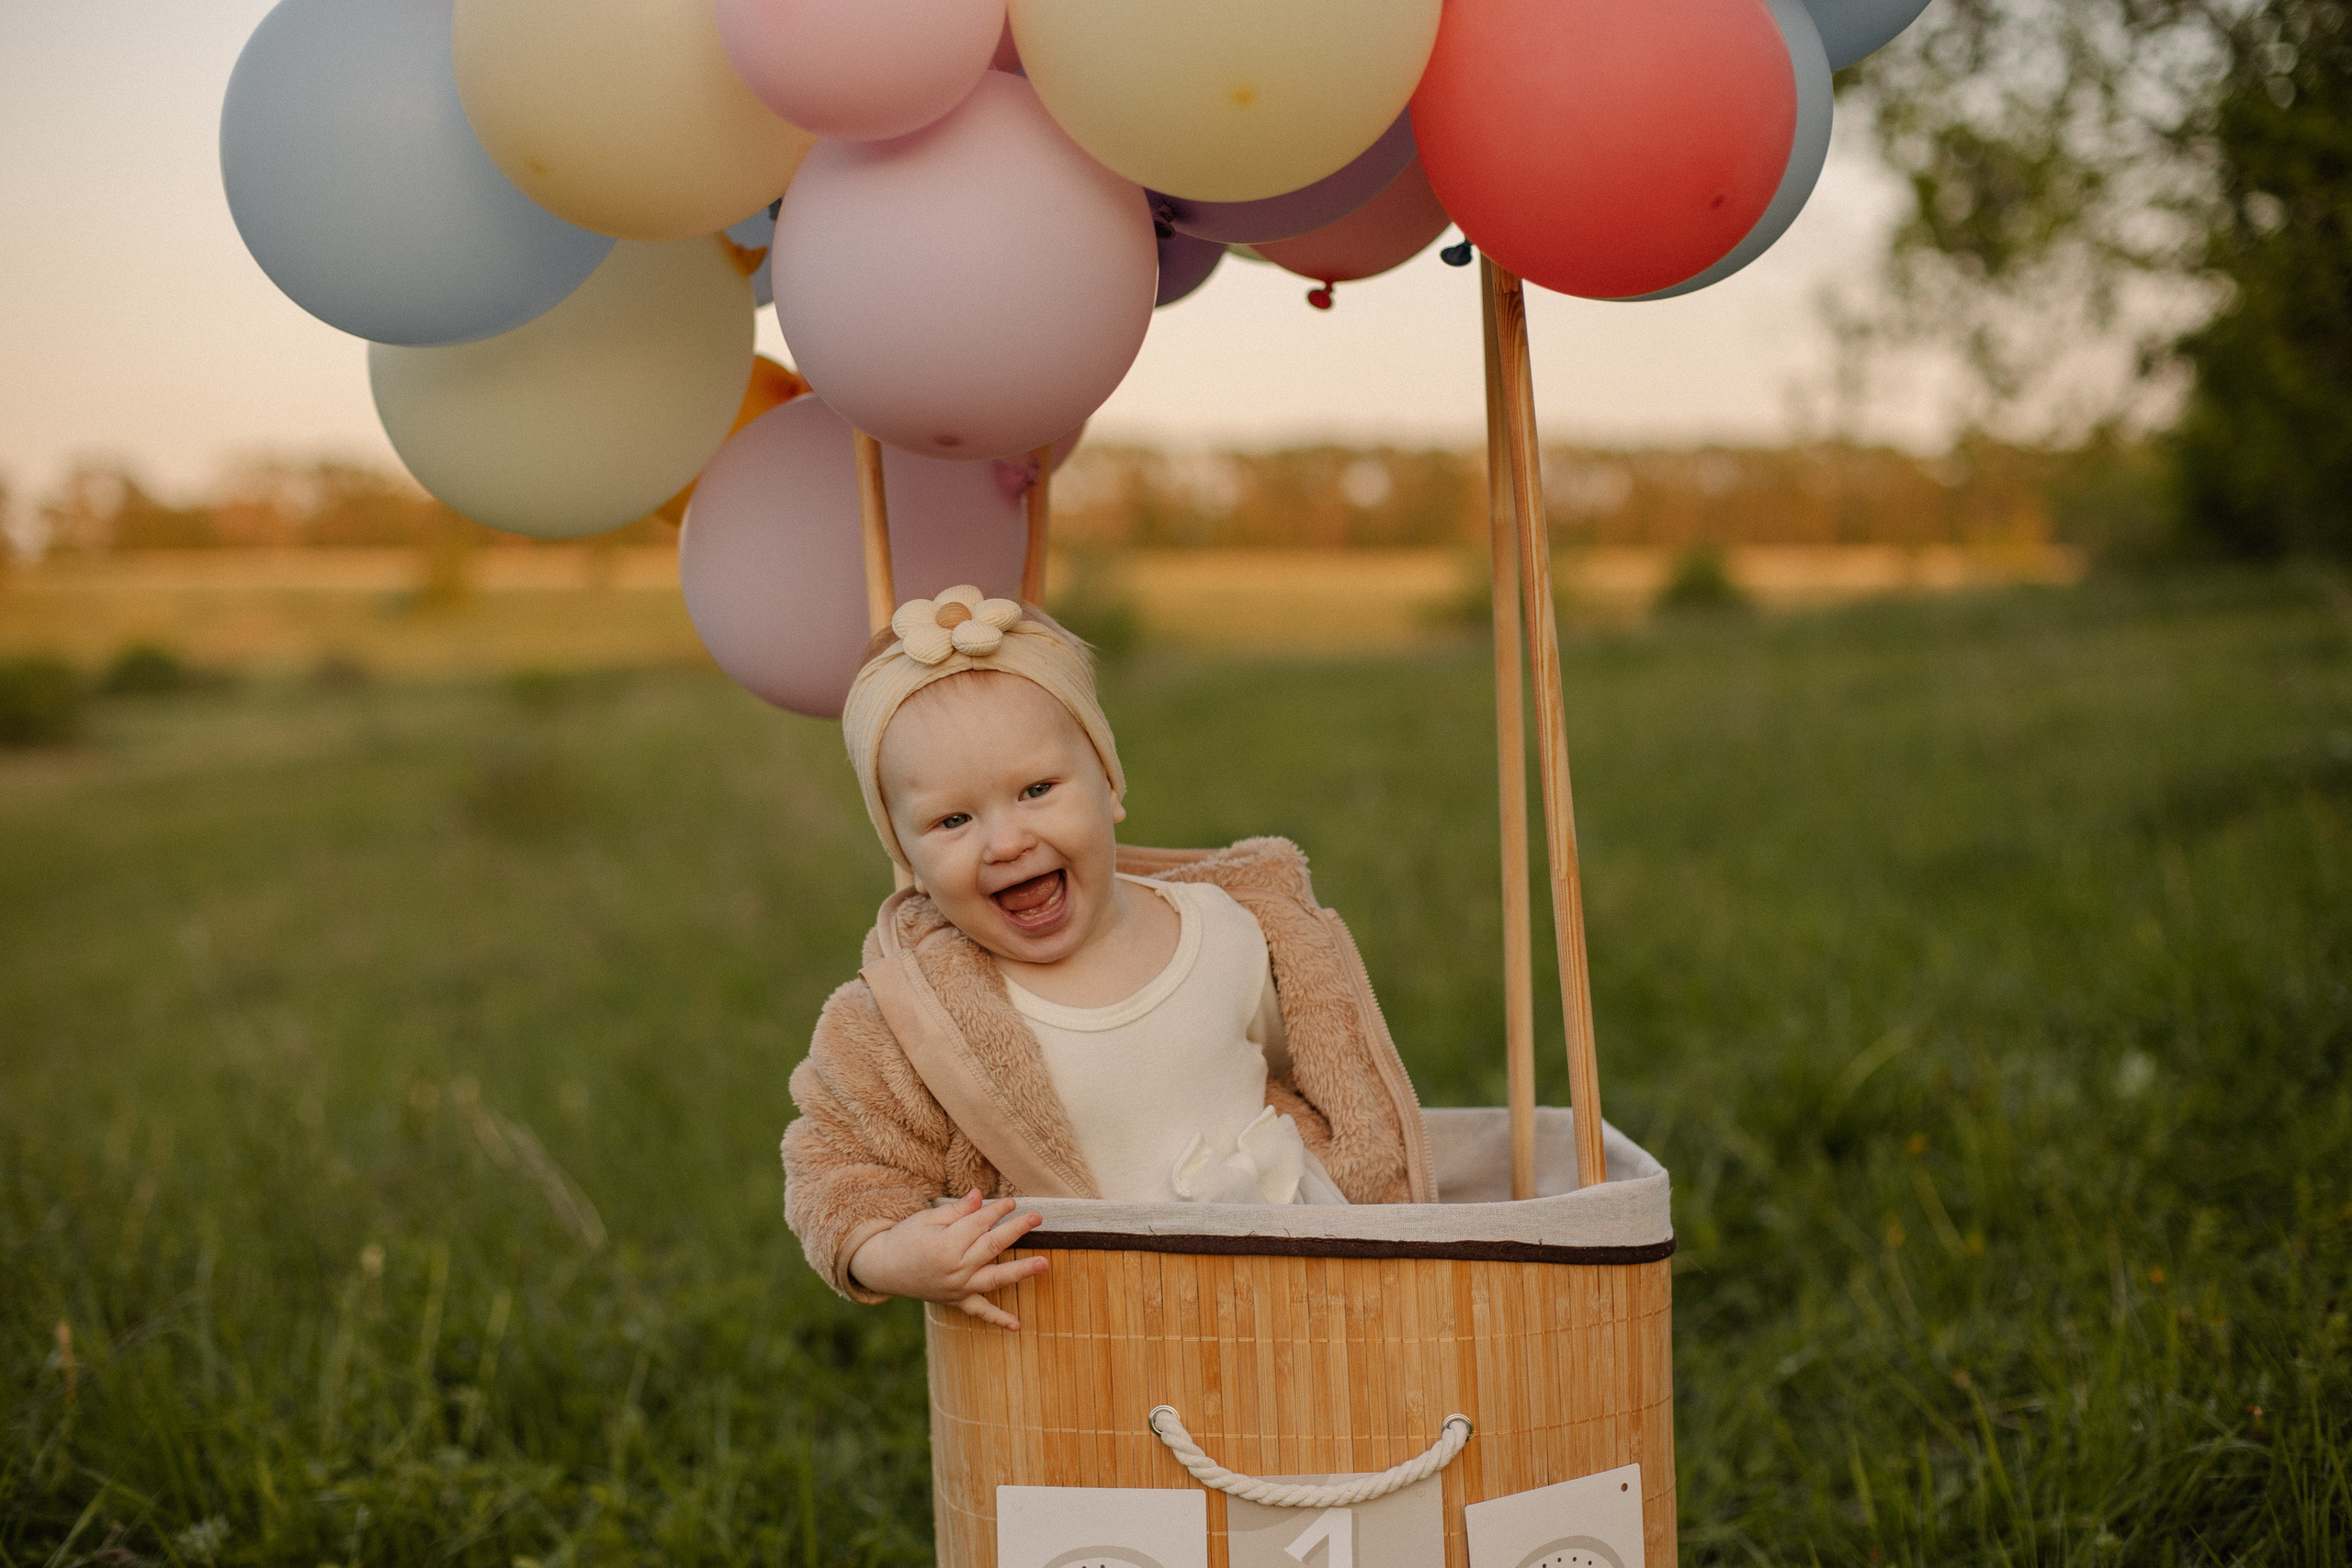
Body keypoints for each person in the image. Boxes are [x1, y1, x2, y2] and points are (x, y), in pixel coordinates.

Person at [783, 586, 1434, 1330]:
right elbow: (833, 1166)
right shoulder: (915, 1020)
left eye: (1037, 789)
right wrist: (891, 1251)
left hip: (1293, 1296)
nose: (1005, 842)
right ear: (904, 851)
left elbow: (1308, 1073)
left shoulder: (1228, 932)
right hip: (1093, 1342)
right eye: (953, 819)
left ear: (1109, 784)